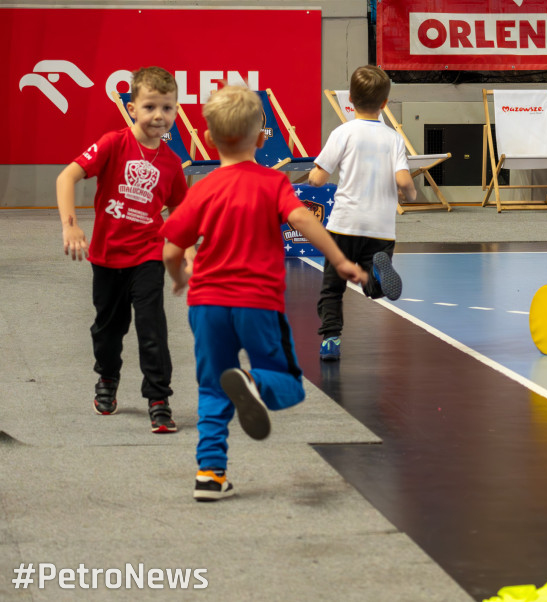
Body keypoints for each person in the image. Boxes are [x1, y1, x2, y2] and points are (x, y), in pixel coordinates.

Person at [161, 85, 370, 502]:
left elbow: (171, 248)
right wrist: (340, 260)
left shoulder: (199, 188)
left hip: (206, 305)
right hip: (258, 303)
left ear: (206, 139)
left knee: (211, 387)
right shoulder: (272, 182)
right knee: (288, 383)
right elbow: (304, 221)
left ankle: (210, 474)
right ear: (261, 138)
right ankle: (255, 383)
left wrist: (181, 276)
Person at [56, 66, 188, 433]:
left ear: (176, 111)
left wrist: (184, 251)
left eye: (167, 107)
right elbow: (66, 176)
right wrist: (71, 226)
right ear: (132, 108)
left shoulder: (172, 163)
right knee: (108, 330)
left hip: (147, 255)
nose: (159, 116)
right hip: (107, 256)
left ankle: (159, 398)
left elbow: (180, 211)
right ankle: (108, 377)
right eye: (149, 107)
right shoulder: (114, 143)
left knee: (153, 329)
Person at [308, 65, 416, 361]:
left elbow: (317, 179)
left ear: (350, 101)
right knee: (373, 288)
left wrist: (312, 178)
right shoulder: (393, 137)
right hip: (381, 228)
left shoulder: (343, 132)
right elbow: (404, 181)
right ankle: (378, 280)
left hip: (344, 224)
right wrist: (412, 194)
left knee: (332, 287)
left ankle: (331, 339)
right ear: (384, 103)